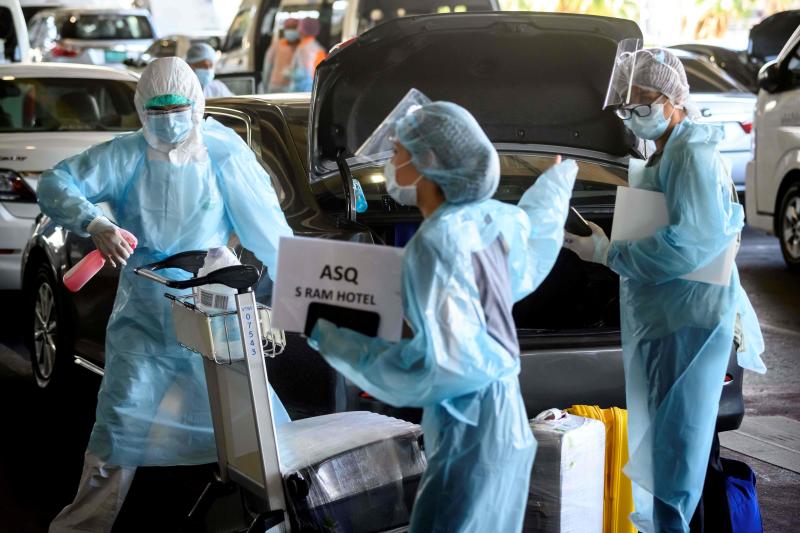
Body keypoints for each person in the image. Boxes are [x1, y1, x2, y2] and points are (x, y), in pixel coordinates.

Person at [39, 57, 293, 533]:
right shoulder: (126, 154)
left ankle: (275, 521)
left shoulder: (223, 154)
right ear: (140, 111)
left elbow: (268, 232)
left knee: (254, 429)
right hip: (145, 314)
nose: (169, 121)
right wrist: (95, 223)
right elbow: (56, 182)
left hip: (212, 312)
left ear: (197, 105)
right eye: (156, 113)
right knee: (118, 424)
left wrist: (293, 299)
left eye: (177, 109)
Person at [307, 96, 578, 532]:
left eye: (397, 152)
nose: (391, 162)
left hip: (468, 427)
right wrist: (556, 182)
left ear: (429, 162)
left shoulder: (435, 244)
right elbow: (539, 232)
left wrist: (329, 335)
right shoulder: (491, 219)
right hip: (501, 418)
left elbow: (439, 367)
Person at [565, 43, 766, 533]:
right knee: (682, 451)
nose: (634, 112)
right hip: (672, 322)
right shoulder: (667, 153)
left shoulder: (692, 153)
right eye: (628, 102)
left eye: (643, 99)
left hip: (692, 327)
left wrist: (610, 253)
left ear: (673, 96)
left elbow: (688, 244)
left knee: (682, 461)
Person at [261, 17, 301, 93]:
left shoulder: (302, 47)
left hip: (295, 89)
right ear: (285, 30)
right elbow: (267, 68)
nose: (291, 31)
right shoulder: (276, 46)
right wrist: (265, 86)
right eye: (289, 28)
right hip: (275, 87)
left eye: (293, 28)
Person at [287, 17, 326, 92]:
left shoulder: (307, 49)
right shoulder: (310, 46)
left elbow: (306, 74)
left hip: (305, 91)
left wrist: (290, 73)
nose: (297, 29)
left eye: (299, 26)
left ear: (302, 29)